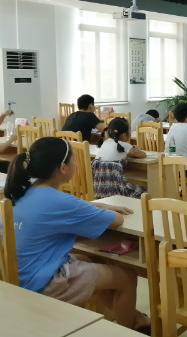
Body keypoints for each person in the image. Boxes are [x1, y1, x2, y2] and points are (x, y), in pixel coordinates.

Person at [5, 137, 150, 333]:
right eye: (73, 160)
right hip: (42, 282)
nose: (76, 164)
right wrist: (101, 208)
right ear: (63, 168)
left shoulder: (22, 192)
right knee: (127, 277)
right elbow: (117, 220)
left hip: (20, 274)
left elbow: (62, 209)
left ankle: (132, 317)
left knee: (89, 258)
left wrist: (93, 205)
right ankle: (128, 329)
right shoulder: (60, 201)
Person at [92, 117, 147, 199]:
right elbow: (143, 155)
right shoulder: (123, 145)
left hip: (100, 190)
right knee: (144, 192)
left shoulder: (105, 143)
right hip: (117, 191)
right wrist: (137, 148)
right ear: (125, 135)